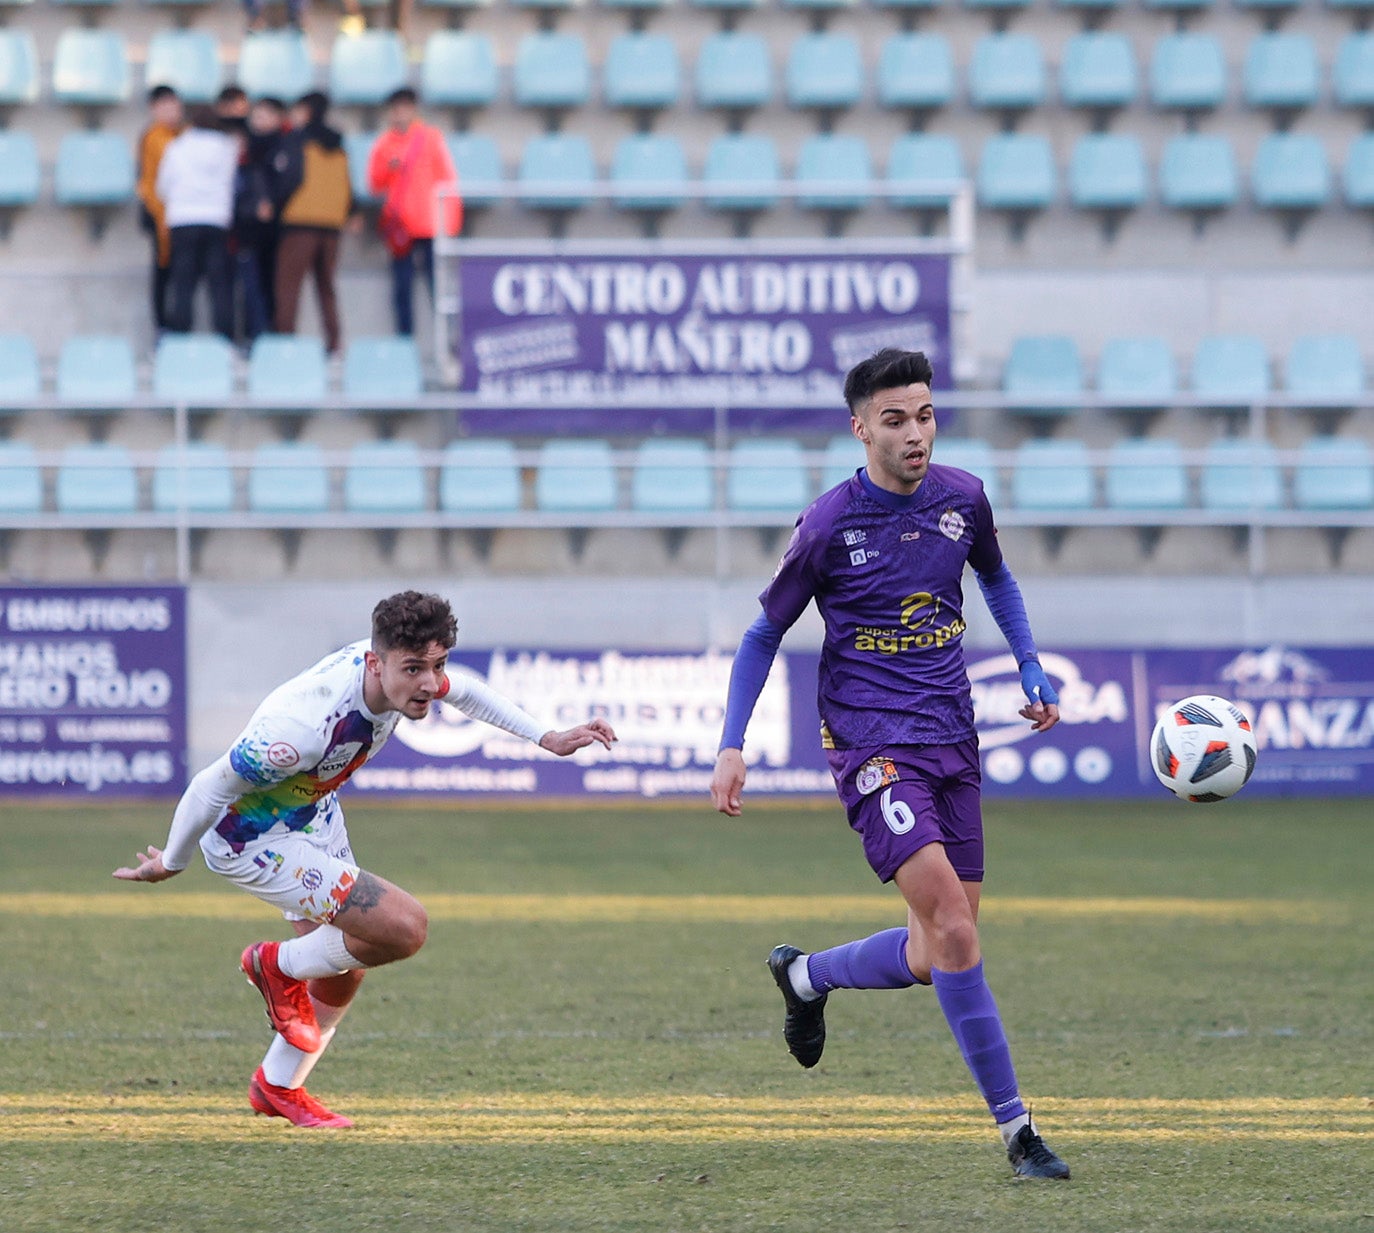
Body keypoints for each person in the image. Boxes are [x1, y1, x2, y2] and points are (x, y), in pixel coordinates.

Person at [709, 348, 1072, 1181]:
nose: (917, 433)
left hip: (953, 733)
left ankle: (805, 976)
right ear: (861, 428)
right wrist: (734, 740)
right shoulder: (830, 524)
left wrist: (1027, 661)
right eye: (897, 419)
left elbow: (997, 576)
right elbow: (764, 632)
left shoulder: (963, 500)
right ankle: (1019, 1131)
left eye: (926, 414)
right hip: (871, 743)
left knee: (939, 946)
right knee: (950, 918)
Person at [114, 591, 617, 1129]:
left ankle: (278, 1087)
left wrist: (546, 737)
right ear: (376, 663)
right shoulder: (297, 731)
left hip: (312, 810)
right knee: (403, 928)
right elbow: (208, 786)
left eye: (437, 665)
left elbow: (465, 690)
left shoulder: (402, 671)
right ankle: (272, 965)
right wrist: (172, 860)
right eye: (415, 669)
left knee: (345, 966)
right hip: (250, 838)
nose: (430, 683)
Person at [367, 88, 461, 337]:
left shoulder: (431, 138)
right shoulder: (384, 143)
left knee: (438, 288)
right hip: (402, 227)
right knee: (402, 288)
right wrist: (390, 167)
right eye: (395, 108)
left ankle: (449, 340)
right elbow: (374, 183)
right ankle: (404, 343)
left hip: (430, 225)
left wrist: (449, 223)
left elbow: (448, 180)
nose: (400, 113)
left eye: (405, 107)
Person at [273, 91, 354, 354]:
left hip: (300, 223)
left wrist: (277, 207)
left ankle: (285, 344)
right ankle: (334, 343)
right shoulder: (339, 144)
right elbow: (346, 184)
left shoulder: (297, 140)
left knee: (288, 287)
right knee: (326, 287)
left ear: (306, 111)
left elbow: (290, 179)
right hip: (331, 225)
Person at [157, 106, 239, 339]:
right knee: (219, 284)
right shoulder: (227, 148)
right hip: (216, 219)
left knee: (183, 283)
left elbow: (163, 185)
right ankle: (225, 338)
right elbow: (231, 182)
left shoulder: (177, 146)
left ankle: (180, 336)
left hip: (183, 218)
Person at [233, 96, 288, 344]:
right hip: (247, 229)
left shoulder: (285, 149)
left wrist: (272, 204)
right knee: (250, 288)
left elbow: (289, 184)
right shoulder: (244, 149)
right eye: (257, 115)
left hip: (276, 231)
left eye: (266, 114)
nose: (259, 119)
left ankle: (270, 340)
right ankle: (254, 338)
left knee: (272, 287)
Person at [136, 85, 184, 334]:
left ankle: (180, 328)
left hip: (185, 214)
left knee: (183, 275)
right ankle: (162, 328)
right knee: (163, 272)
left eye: (174, 106)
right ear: (153, 109)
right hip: (160, 215)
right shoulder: (152, 137)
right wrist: (160, 215)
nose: (171, 112)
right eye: (164, 106)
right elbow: (148, 182)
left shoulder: (186, 135)